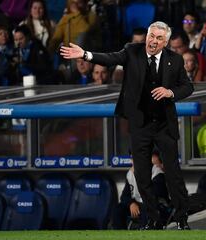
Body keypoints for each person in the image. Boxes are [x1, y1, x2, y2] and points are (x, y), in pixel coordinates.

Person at [60, 21, 194, 230]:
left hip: (164, 125)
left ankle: (182, 218)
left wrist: (171, 93)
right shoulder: (132, 51)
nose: (153, 41)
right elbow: (110, 58)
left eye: (159, 38)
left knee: (174, 173)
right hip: (140, 124)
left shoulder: (174, 60)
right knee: (141, 174)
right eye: (151, 36)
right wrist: (85, 54)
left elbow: (188, 87)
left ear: (166, 42)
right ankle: (153, 219)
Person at [112, 150, 169, 230]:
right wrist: (131, 203)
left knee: (147, 207)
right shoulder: (131, 173)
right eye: (132, 158)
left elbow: (157, 194)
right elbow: (124, 196)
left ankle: (145, 233)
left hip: (157, 206)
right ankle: (120, 235)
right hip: (139, 204)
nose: (133, 161)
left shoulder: (156, 171)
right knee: (118, 209)